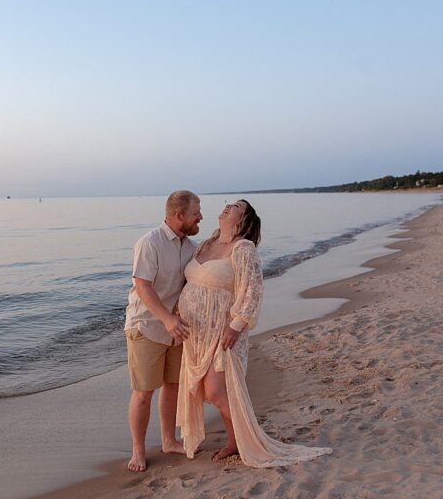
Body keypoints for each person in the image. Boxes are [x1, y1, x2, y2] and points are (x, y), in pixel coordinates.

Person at [176, 200, 332, 466]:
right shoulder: (205, 244)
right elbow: (191, 281)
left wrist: (235, 327)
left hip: (223, 330)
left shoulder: (243, 249)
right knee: (215, 390)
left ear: (243, 219)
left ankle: (248, 437)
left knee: (215, 391)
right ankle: (235, 442)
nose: (227, 206)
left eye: (235, 206)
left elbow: (253, 291)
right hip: (196, 333)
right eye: (228, 204)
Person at [124, 190, 203, 473]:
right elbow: (143, 286)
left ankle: (169, 440)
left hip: (176, 328)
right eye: (196, 213)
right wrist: (167, 319)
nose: (200, 217)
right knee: (144, 391)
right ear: (178, 216)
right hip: (146, 326)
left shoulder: (192, 247)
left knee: (172, 386)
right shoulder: (150, 243)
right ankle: (138, 450)